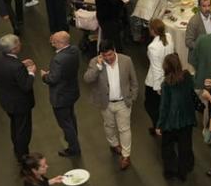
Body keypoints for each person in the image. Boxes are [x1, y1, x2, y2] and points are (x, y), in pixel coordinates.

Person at [84, 42, 140, 171]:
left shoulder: (126, 60)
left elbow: (134, 81)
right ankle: (114, 144)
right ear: (100, 55)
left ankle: (126, 156)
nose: (108, 58)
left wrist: (133, 97)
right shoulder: (95, 62)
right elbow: (87, 79)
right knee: (109, 126)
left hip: (123, 102)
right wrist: (98, 66)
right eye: (105, 56)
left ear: (114, 50)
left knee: (124, 129)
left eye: (110, 54)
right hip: (105, 103)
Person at [0, 34, 37, 159]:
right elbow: (26, 85)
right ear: (13, 50)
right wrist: (31, 72)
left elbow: (6, 70)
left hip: (6, 100)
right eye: (18, 44)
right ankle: (22, 155)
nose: (20, 44)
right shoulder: (16, 67)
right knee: (23, 130)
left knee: (14, 125)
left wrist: (22, 64)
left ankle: (17, 148)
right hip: (20, 104)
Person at [39, 31, 82, 157]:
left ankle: (73, 148)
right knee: (71, 117)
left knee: (65, 123)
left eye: (54, 42)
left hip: (60, 96)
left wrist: (44, 76)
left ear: (60, 43)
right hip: (72, 91)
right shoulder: (74, 50)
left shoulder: (58, 59)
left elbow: (53, 79)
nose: (52, 44)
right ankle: (73, 138)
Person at [158, 53, 198, 181]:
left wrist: (159, 124)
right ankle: (184, 169)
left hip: (171, 121)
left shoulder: (166, 84)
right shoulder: (187, 77)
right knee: (185, 145)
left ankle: (170, 170)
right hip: (187, 118)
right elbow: (192, 95)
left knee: (167, 146)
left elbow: (164, 106)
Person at [145, 18, 175, 130]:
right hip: (169, 76)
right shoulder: (169, 37)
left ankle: (159, 126)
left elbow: (157, 69)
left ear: (152, 31)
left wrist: (158, 88)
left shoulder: (152, 47)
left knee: (150, 105)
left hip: (155, 81)